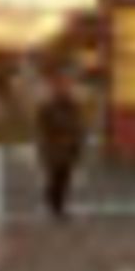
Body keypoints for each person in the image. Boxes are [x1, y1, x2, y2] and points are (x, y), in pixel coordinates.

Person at [33, 74, 86, 219]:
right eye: (62, 87)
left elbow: (78, 124)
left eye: (67, 86)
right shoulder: (47, 106)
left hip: (69, 148)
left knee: (65, 178)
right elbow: (44, 127)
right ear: (55, 89)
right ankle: (55, 206)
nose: (66, 89)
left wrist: (79, 141)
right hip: (54, 148)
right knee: (55, 178)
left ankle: (58, 205)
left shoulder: (73, 105)